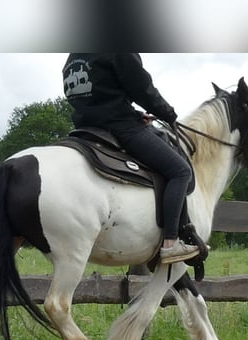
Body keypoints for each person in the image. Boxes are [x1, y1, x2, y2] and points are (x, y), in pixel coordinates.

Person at [62, 53, 198, 265]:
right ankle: (172, 243)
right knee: (180, 171)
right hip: (119, 127)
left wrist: (133, 113)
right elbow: (141, 87)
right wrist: (168, 114)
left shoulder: (74, 54)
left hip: (85, 127)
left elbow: (96, 93)